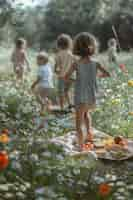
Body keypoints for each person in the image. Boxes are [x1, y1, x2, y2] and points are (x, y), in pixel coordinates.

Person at [64, 32, 110, 150]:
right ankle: (89, 135)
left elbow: (66, 77)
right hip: (92, 96)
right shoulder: (96, 63)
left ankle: (81, 146)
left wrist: (76, 80)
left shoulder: (76, 64)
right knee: (86, 114)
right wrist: (96, 77)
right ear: (93, 47)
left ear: (76, 48)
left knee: (78, 122)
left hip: (80, 96)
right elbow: (107, 74)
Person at [55, 34, 75, 110]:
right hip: (70, 76)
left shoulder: (58, 54)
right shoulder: (71, 54)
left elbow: (57, 67)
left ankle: (62, 107)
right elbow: (75, 64)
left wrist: (56, 71)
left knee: (61, 92)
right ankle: (70, 104)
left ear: (58, 44)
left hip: (62, 76)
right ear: (69, 44)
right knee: (67, 91)